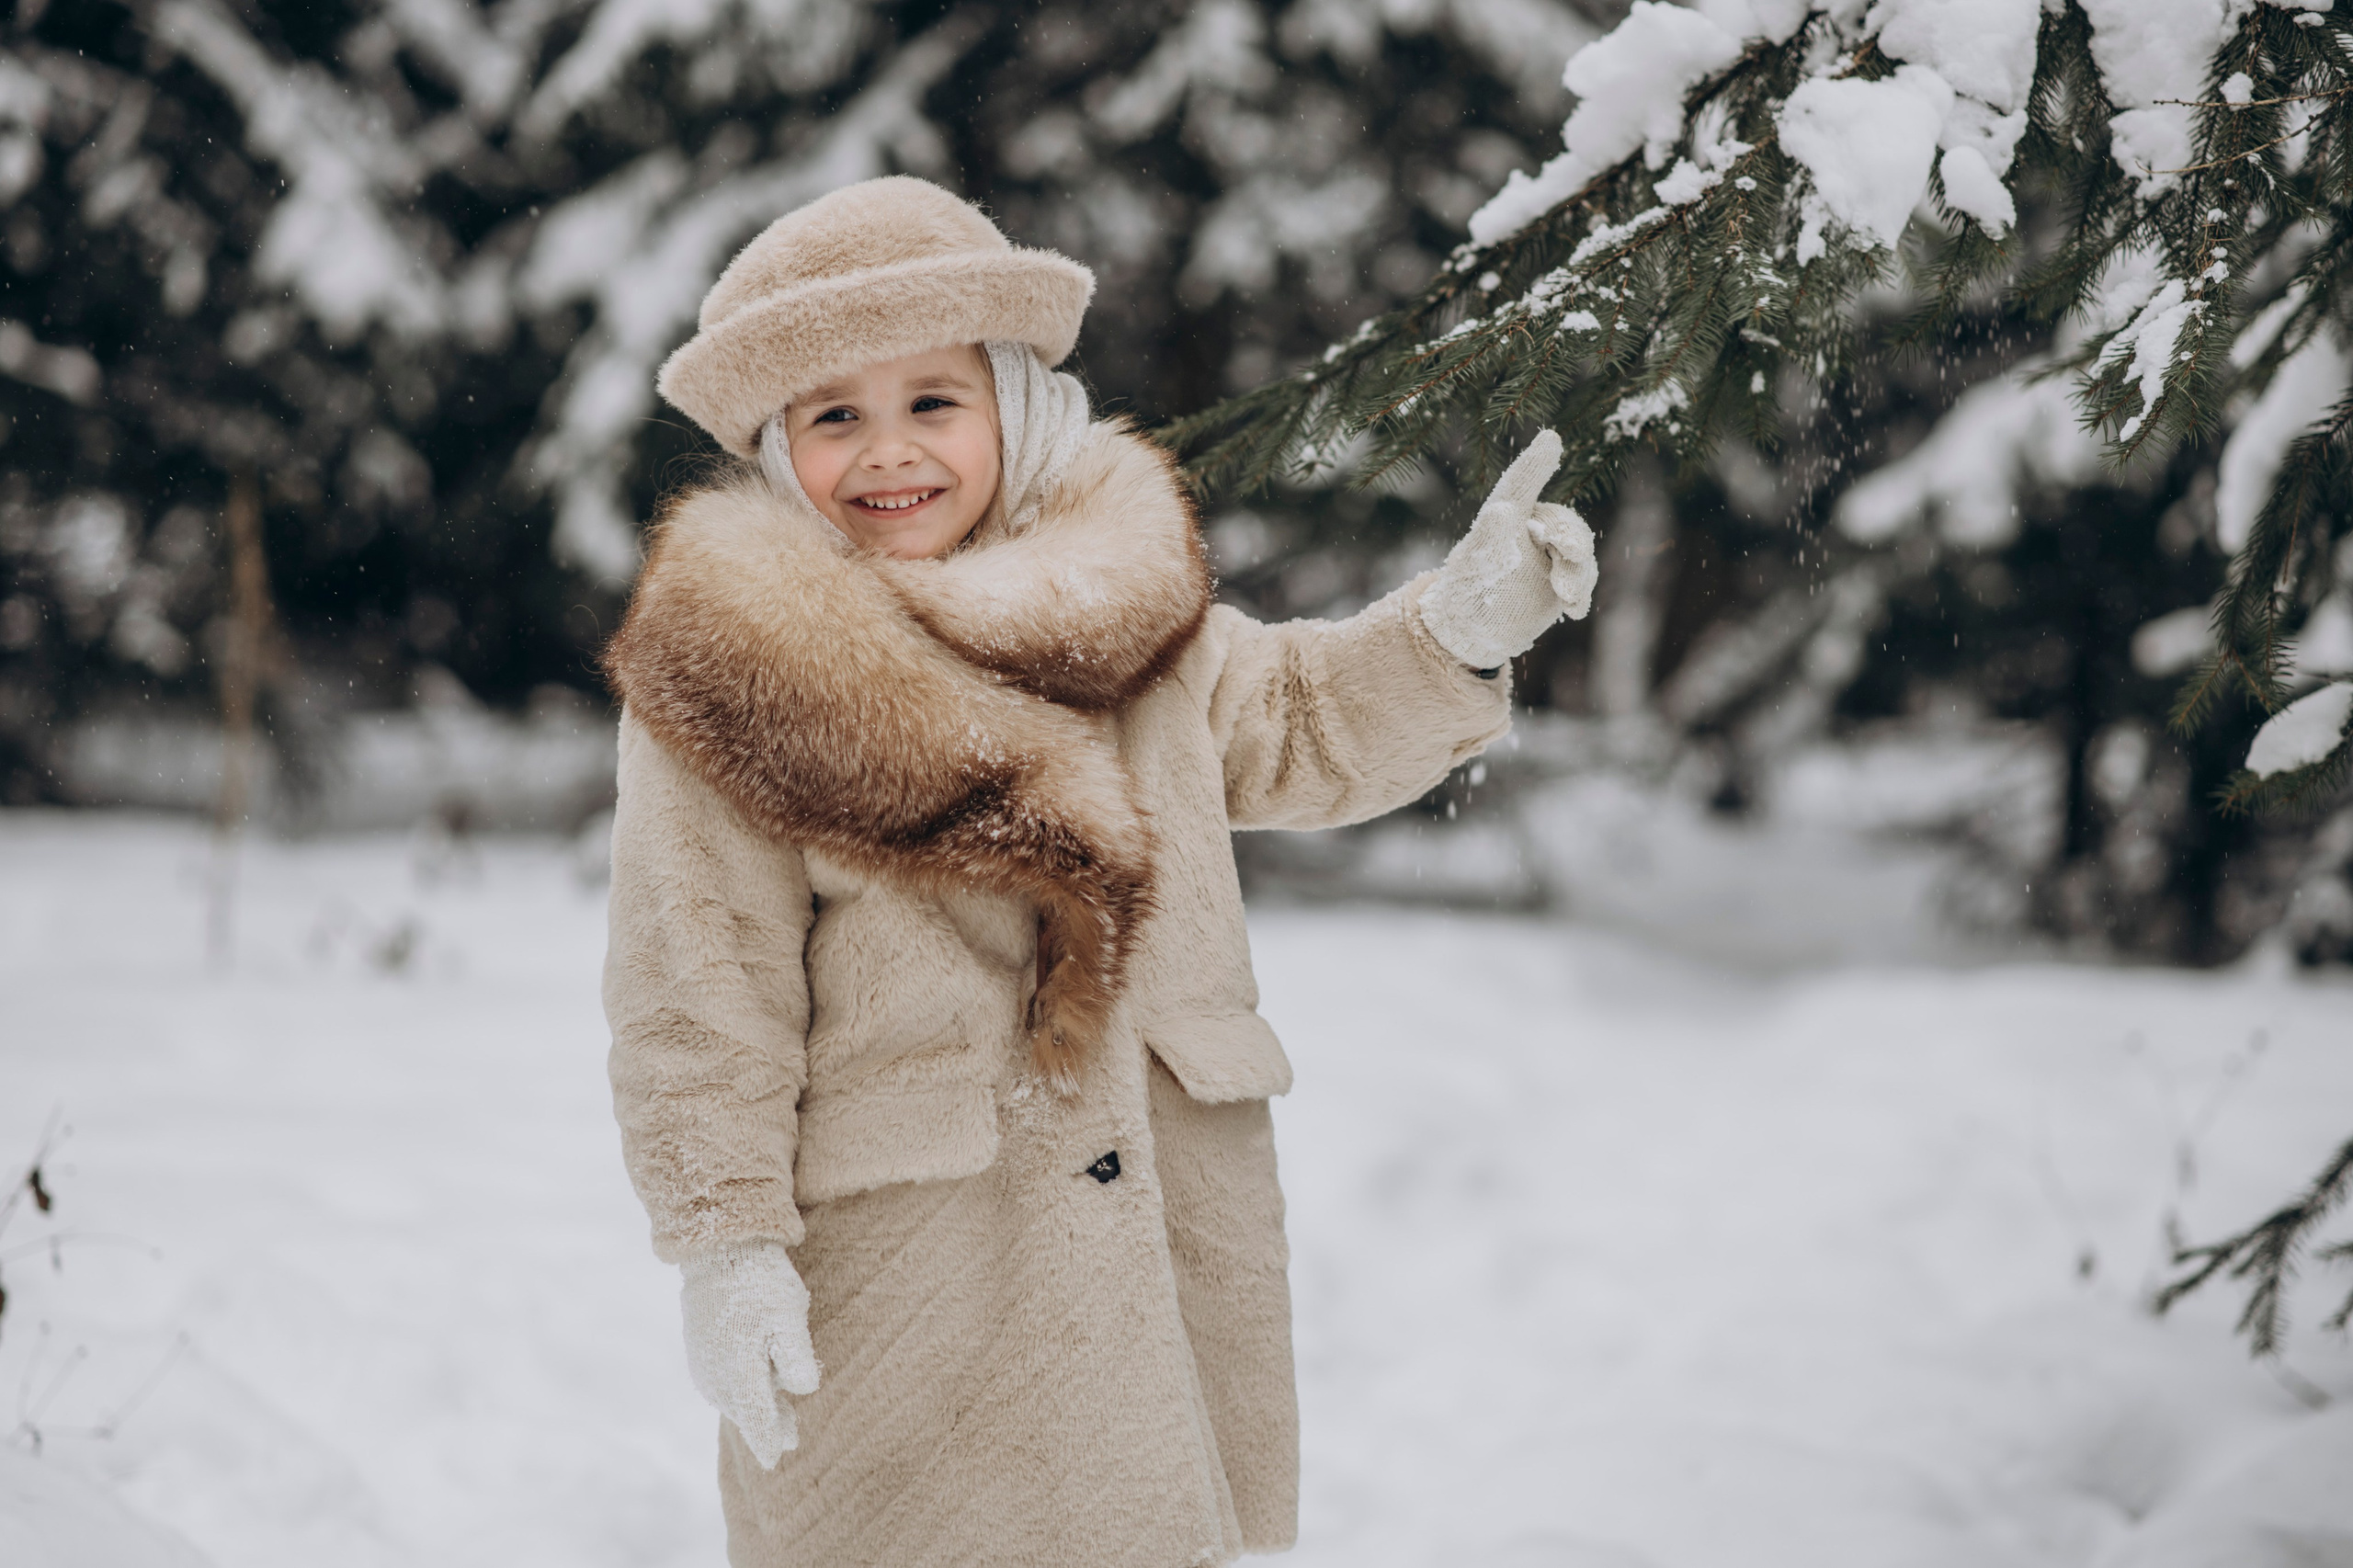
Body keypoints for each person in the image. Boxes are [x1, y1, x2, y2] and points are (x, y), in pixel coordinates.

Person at [599, 174, 1597, 1568]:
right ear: (779, 444)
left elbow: (1300, 719)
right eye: (837, 414)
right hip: (913, 1266)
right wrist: (724, 1241)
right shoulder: (731, 678)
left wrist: (1450, 635)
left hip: (1147, 1248)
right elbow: (696, 982)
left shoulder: (1125, 618)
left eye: (933, 401)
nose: (891, 451)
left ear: (1011, 403)